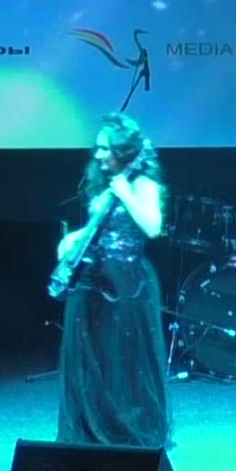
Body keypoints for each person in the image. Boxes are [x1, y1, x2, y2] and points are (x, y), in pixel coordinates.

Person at [53, 113, 171, 448]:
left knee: (121, 361)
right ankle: (92, 430)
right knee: (93, 361)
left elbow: (152, 227)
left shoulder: (142, 182)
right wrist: (74, 239)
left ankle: (124, 433)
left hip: (127, 286)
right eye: (98, 147)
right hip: (93, 284)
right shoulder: (104, 184)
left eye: (105, 148)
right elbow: (100, 231)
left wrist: (126, 193)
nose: (99, 154)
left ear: (123, 151)